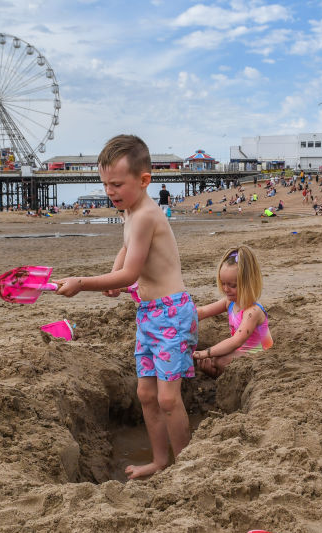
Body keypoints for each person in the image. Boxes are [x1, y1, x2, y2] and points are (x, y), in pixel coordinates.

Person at [55, 134, 197, 480]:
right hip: (148, 315)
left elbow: (132, 271)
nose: (110, 192)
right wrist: (117, 275)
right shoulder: (130, 212)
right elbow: (127, 254)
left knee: (167, 398)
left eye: (117, 184)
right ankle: (160, 461)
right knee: (146, 393)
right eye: (105, 184)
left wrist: (85, 282)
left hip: (172, 313)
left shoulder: (147, 214)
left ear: (144, 180)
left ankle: (187, 468)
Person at [192, 246, 272, 378]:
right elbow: (202, 312)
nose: (226, 289)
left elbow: (236, 341)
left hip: (261, 355)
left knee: (219, 359)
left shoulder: (253, 311)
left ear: (248, 283)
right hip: (240, 352)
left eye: (232, 285)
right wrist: (178, 316)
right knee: (213, 359)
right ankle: (216, 375)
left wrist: (205, 352)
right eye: (223, 283)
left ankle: (218, 373)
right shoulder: (230, 303)